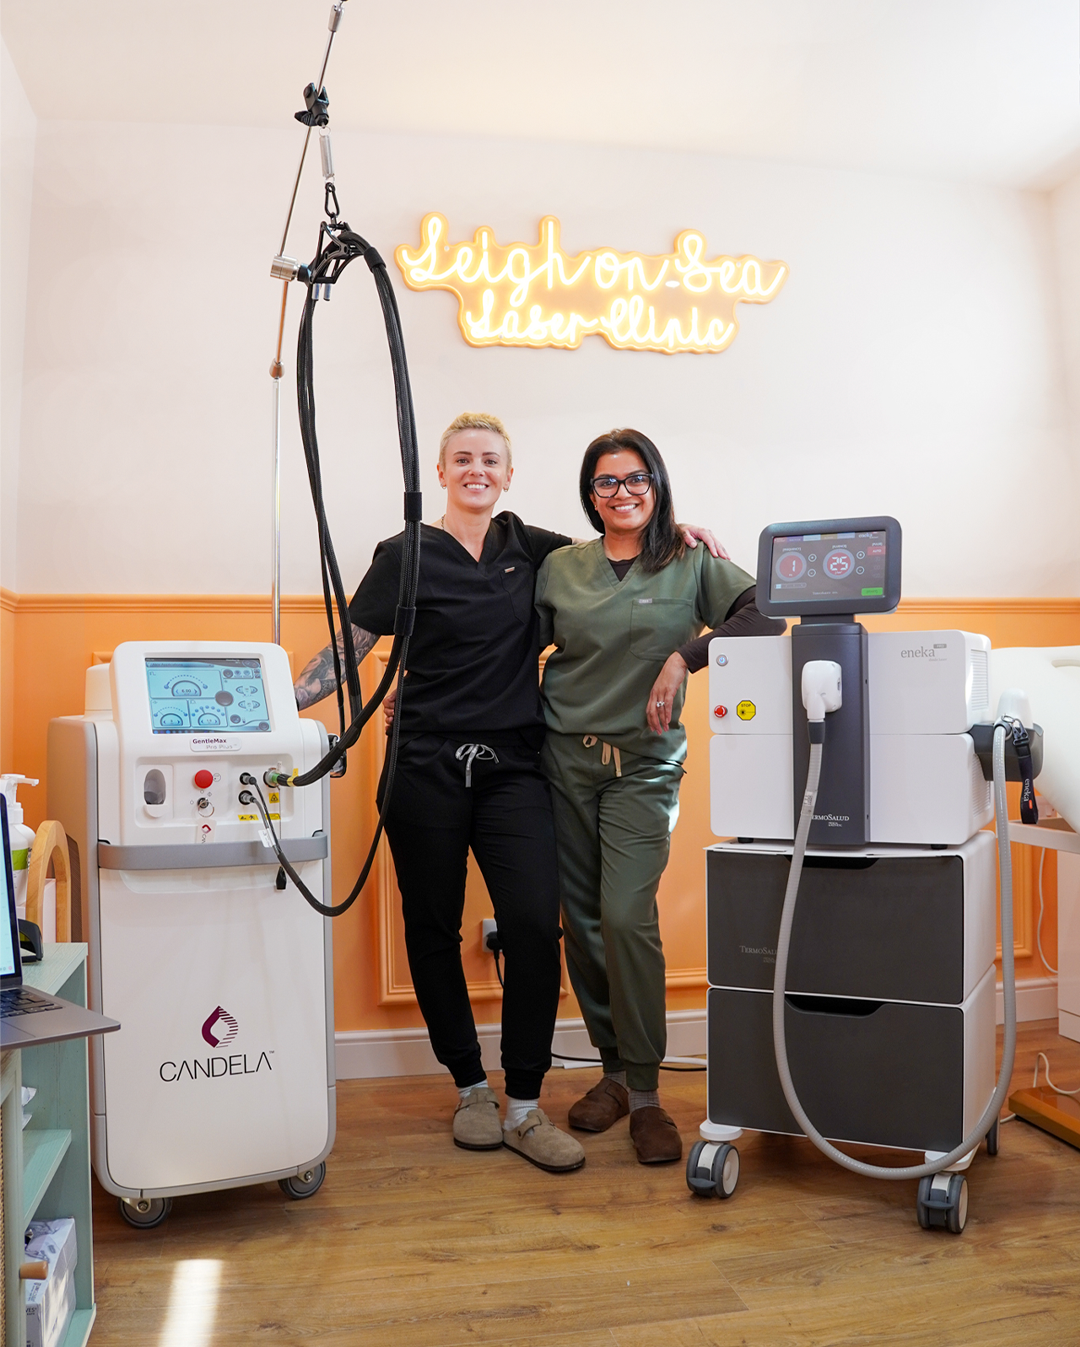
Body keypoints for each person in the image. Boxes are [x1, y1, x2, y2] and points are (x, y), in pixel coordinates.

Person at [295, 412, 721, 1173]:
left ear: (509, 473)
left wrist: (678, 529)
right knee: (431, 929)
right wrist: (275, 704)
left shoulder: (533, 548)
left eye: (490, 459)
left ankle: (524, 1103)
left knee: (532, 924)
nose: (476, 470)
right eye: (463, 459)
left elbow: (619, 550)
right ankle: (469, 1087)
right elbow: (350, 647)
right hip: (423, 766)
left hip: (516, 769)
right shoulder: (404, 555)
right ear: (442, 470)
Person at [535, 427, 784, 1165]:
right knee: (580, 922)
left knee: (625, 916)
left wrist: (685, 657)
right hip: (562, 758)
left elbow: (764, 614)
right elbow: (509, 639)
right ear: (589, 495)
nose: (623, 492)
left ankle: (645, 1093)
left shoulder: (689, 559)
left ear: (657, 483)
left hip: (644, 766)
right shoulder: (559, 567)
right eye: (606, 482)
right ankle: (610, 1075)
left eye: (636, 478)